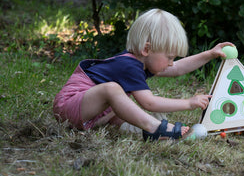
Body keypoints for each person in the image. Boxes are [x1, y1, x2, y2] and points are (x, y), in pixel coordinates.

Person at [53, 8, 234, 141]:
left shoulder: (142, 61)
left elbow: (177, 68)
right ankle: (154, 129)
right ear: (147, 49)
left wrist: (209, 54)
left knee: (129, 107)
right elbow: (149, 102)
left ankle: (152, 131)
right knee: (113, 90)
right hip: (70, 107)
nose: (171, 63)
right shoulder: (129, 65)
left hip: (93, 113)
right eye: (169, 57)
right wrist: (188, 103)